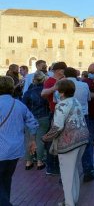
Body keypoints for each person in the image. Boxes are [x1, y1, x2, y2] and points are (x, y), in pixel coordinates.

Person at [42, 79, 89, 206]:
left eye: (57, 90)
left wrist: (45, 138)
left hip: (69, 143)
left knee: (67, 175)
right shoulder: (75, 101)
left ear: (61, 93)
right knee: (74, 171)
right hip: (82, 138)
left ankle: (69, 203)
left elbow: (57, 126)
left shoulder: (61, 105)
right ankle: (73, 199)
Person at [0, 76, 38, 206]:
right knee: (6, 179)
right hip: (16, 150)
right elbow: (33, 123)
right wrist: (32, 140)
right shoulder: (19, 104)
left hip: (1, 149)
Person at [64, 67, 94, 182]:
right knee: (85, 144)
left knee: (67, 144)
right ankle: (88, 171)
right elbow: (89, 99)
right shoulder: (84, 85)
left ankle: (66, 174)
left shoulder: (61, 85)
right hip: (82, 116)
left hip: (67, 117)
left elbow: (57, 101)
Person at [41, 61, 67, 175]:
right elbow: (43, 94)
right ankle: (51, 166)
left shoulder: (66, 80)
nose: (64, 71)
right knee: (52, 140)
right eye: (63, 69)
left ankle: (59, 165)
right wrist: (55, 87)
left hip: (65, 114)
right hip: (55, 114)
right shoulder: (49, 81)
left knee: (63, 141)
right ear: (57, 70)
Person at [22, 71, 50, 170]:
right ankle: (39, 161)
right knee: (40, 140)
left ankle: (28, 162)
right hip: (43, 117)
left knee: (29, 139)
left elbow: (24, 107)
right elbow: (49, 105)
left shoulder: (27, 92)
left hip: (30, 118)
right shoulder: (46, 92)